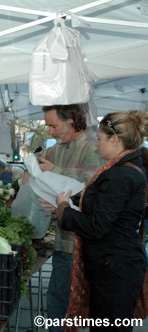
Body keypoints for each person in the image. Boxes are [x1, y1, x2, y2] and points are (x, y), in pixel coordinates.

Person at [54, 111, 148, 332]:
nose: (96, 145)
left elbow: (98, 226)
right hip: (116, 266)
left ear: (114, 140)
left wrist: (65, 210)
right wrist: (67, 204)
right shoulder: (123, 170)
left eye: (99, 139)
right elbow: (104, 206)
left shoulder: (120, 175)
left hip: (115, 269)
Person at [36, 104, 104, 332]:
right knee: (57, 298)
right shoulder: (57, 149)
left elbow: (90, 187)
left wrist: (56, 173)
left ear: (72, 121)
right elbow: (38, 162)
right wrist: (29, 170)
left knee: (89, 304)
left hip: (85, 243)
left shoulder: (93, 147)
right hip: (63, 241)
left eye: (54, 126)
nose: (51, 133)